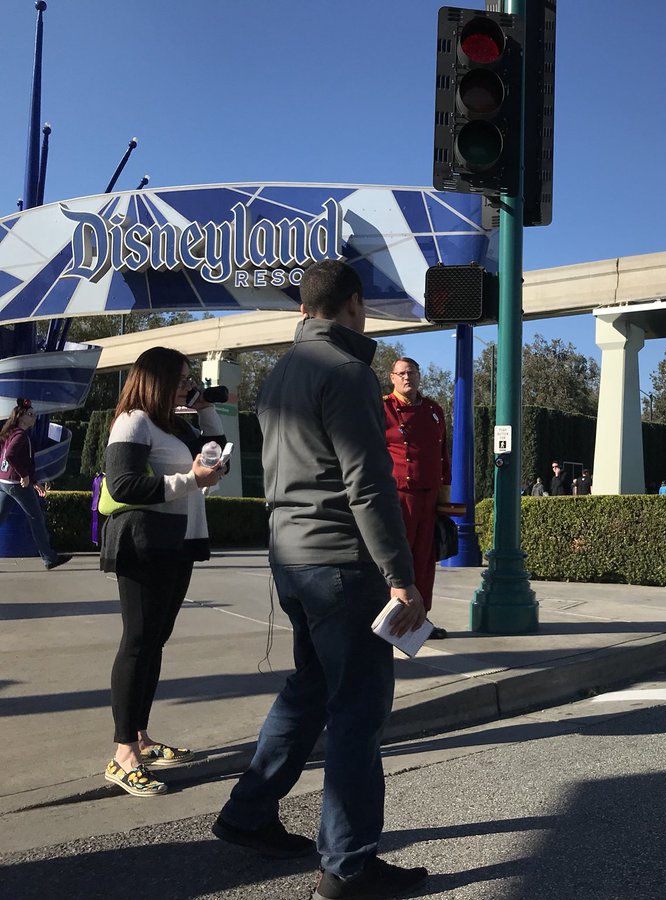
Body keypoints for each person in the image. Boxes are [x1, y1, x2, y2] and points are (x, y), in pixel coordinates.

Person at [213, 259, 429, 899]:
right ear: (355, 305)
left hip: (291, 556)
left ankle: (249, 811)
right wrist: (401, 576)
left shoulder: (279, 373)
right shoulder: (348, 374)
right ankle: (348, 866)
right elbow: (367, 483)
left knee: (309, 687)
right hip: (341, 560)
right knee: (359, 708)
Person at [101, 348, 225, 796]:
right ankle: (122, 754)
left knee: (154, 641)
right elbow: (123, 484)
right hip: (143, 542)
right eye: (180, 379)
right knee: (137, 643)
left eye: (189, 380)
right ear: (156, 380)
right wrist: (191, 480)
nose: (186, 386)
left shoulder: (175, 423)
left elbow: (213, 448)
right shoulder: (133, 421)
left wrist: (206, 408)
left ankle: (140, 736)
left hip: (179, 539)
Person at [384, 357, 452, 639]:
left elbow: (442, 456)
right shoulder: (383, 408)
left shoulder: (434, 410)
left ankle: (421, 622)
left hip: (429, 498)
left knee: (425, 562)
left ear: (419, 375)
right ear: (392, 378)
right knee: (399, 561)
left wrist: (444, 499)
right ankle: (391, 620)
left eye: (411, 372)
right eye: (401, 373)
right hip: (398, 496)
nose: (407, 377)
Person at [0, 398, 72, 570]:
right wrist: (24, 476)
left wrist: (32, 481)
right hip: (15, 483)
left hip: (4, 481)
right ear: (21, 417)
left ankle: (49, 557)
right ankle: (49, 558)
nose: (34, 417)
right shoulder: (20, 436)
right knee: (36, 518)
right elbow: (10, 455)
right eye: (30, 414)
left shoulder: (11, 432)